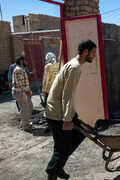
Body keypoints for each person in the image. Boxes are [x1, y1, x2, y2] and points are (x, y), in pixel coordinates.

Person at [45, 39, 97, 180]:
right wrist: (67, 119)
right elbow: (67, 95)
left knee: (79, 134)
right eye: (93, 52)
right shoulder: (75, 67)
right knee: (63, 148)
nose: (94, 55)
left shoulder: (73, 64)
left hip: (63, 110)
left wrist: (70, 116)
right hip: (57, 113)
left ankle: (59, 165)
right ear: (86, 52)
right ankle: (53, 171)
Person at [12, 56, 34, 131]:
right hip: (20, 92)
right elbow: (20, 83)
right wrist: (26, 91)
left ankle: (23, 122)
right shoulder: (18, 70)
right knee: (24, 109)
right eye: (25, 60)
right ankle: (26, 126)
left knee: (29, 107)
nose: (27, 62)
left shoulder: (22, 69)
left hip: (23, 92)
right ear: (21, 61)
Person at [42, 52, 60, 133]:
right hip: (58, 89)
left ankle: (50, 125)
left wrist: (44, 89)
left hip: (49, 91)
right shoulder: (59, 65)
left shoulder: (48, 66)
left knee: (48, 108)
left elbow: (46, 79)